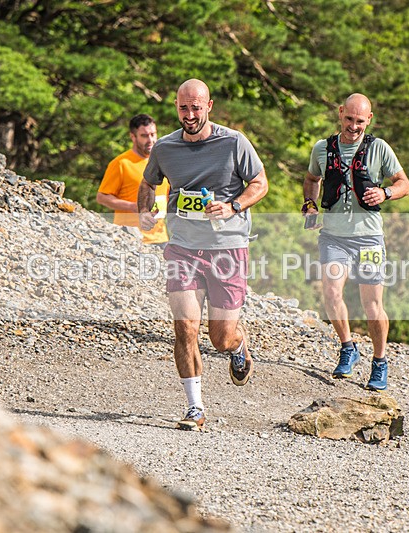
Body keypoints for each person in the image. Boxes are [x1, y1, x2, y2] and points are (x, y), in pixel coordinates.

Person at [138, 79, 268, 430]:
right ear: (176, 107)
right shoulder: (164, 148)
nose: (190, 114)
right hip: (182, 248)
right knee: (185, 329)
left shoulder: (233, 142)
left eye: (196, 107)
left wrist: (233, 206)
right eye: (184, 108)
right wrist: (145, 210)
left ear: (209, 106)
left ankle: (239, 346)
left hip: (227, 249)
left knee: (220, 337)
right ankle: (195, 409)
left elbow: (260, 183)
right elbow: (149, 183)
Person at [302, 93, 409, 391]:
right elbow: (312, 179)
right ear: (340, 113)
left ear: (369, 119)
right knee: (331, 293)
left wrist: (386, 193)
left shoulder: (379, 149)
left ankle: (380, 361)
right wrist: (310, 205)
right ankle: (348, 346)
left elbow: (405, 184)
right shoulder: (322, 149)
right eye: (349, 119)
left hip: (369, 240)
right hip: (333, 238)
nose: (353, 126)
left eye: (360, 121)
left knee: (372, 303)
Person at [97, 114, 169, 246]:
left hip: (161, 239)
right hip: (129, 239)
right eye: (144, 136)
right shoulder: (121, 163)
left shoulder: (163, 162)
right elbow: (102, 197)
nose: (151, 140)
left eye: (153, 134)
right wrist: (131, 206)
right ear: (133, 137)